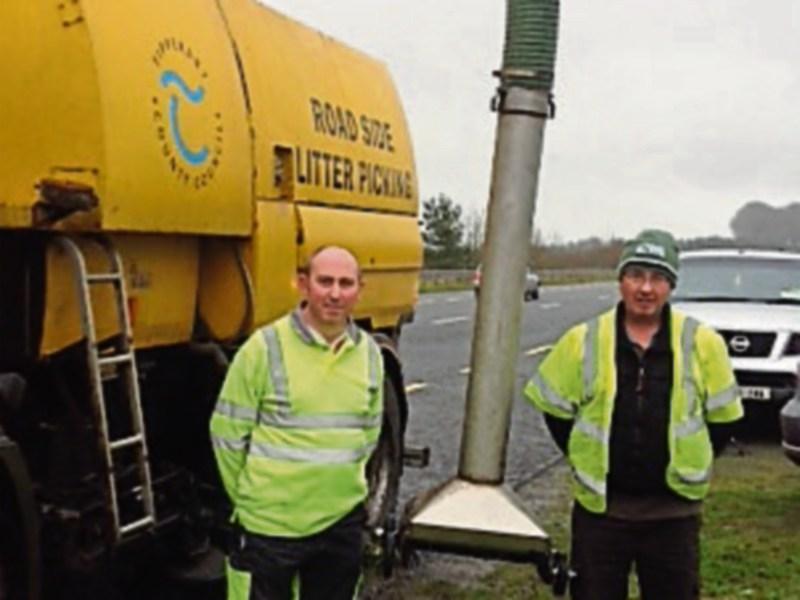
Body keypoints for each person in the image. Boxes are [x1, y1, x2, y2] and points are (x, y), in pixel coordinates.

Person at [524, 229, 742, 600]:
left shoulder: (703, 342)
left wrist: (689, 462)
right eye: (636, 275)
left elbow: (723, 421)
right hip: (603, 515)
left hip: (673, 514)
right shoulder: (583, 339)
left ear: (671, 286)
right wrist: (585, 457)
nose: (646, 288)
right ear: (620, 280)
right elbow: (556, 413)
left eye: (658, 278)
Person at [210, 246, 384, 600]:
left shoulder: (369, 354)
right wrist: (250, 500)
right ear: (303, 285)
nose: (335, 293)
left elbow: (369, 434)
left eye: (346, 283)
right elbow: (227, 435)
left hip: (339, 524)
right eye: (325, 281)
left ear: (359, 290)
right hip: (270, 526)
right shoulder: (263, 348)